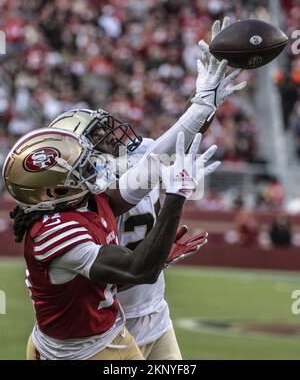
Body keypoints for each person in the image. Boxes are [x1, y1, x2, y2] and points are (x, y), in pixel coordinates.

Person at [49, 17, 247, 359]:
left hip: (155, 312)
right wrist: (156, 259)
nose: (112, 137)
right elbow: (94, 282)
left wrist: (207, 103)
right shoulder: (77, 202)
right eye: (97, 135)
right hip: (111, 322)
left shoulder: (137, 157)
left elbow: (181, 139)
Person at [3, 126, 216, 360]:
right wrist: (177, 194)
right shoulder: (54, 232)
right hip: (78, 353)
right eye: (78, 167)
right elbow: (136, 270)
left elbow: (103, 285)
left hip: (112, 335)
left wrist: (204, 102)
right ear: (54, 190)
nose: (89, 168)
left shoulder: (82, 207)